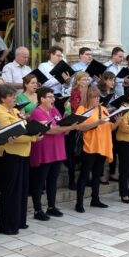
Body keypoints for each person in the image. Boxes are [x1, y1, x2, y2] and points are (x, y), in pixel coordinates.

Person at [0, 84, 40, 235]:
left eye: (14, 96)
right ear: (2, 98)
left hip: (23, 153)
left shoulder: (14, 111)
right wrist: (33, 137)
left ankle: (19, 220)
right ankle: (7, 225)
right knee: (10, 191)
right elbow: (13, 134)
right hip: (9, 154)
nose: (14, 98)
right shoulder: (0, 113)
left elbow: (24, 127)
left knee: (21, 190)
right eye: (11, 96)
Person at [29, 87, 78, 220]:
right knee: (39, 182)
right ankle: (37, 210)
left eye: (53, 97)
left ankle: (51, 206)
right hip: (44, 151)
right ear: (42, 99)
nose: (53, 99)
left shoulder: (54, 110)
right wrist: (70, 127)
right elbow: (50, 130)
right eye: (50, 97)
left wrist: (68, 127)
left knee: (52, 180)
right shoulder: (37, 113)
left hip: (57, 150)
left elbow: (61, 126)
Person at [75, 86, 123, 212]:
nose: (97, 99)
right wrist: (96, 123)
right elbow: (79, 127)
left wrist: (118, 121)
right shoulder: (82, 109)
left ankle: (95, 199)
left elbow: (110, 128)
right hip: (89, 146)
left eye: (98, 97)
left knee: (97, 174)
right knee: (84, 175)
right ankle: (79, 202)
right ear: (88, 98)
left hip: (102, 146)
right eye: (94, 97)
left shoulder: (104, 109)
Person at [65, 72, 91, 189]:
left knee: (85, 153)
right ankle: (71, 180)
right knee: (73, 153)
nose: (86, 81)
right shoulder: (75, 92)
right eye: (84, 79)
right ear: (78, 81)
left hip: (87, 123)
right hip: (75, 124)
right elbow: (76, 109)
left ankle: (85, 178)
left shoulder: (90, 91)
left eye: (87, 79)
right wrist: (84, 93)